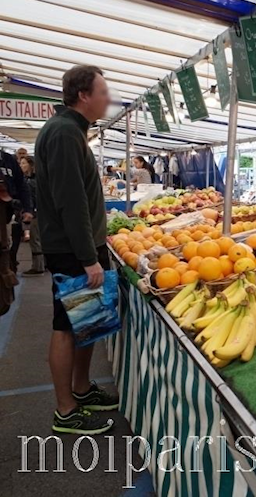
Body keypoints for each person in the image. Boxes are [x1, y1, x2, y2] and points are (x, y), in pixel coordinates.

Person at [36, 65, 117, 435]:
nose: (108, 99)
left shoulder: (71, 131)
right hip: (71, 250)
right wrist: (88, 257)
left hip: (81, 246)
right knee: (67, 326)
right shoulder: (65, 133)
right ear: (83, 95)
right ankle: (65, 410)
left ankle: (82, 389)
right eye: (102, 92)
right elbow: (70, 202)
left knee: (86, 322)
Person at [1, 148, 33, 272]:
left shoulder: (8, 160)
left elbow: (22, 186)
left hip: (8, 216)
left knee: (8, 252)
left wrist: (28, 209)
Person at [20, 156, 45, 275]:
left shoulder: (31, 181)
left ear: (31, 165)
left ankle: (38, 266)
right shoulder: (33, 179)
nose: (21, 166)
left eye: (24, 163)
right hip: (39, 212)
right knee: (38, 239)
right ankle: (42, 264)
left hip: (35, 213)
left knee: (35, 240)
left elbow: (33, 198)